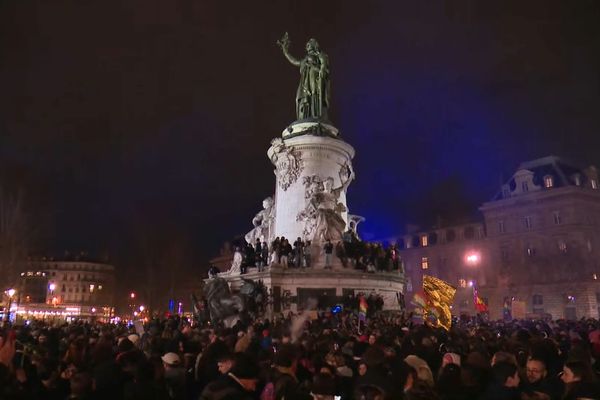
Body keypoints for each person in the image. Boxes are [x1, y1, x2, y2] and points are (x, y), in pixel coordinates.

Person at [277, 33, 330, 121]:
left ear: (314, 45)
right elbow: (295, 61)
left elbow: (324, 66)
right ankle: (306, 117)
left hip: (316, 80)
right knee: (301, 97)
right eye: (307, 45)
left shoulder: (320, 55)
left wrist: (317, 69)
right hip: (305, 82)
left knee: (315, 95)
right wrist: (285, 52)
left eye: (309, 45)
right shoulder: (305, 59)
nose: (307, 47)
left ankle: (316, 115)